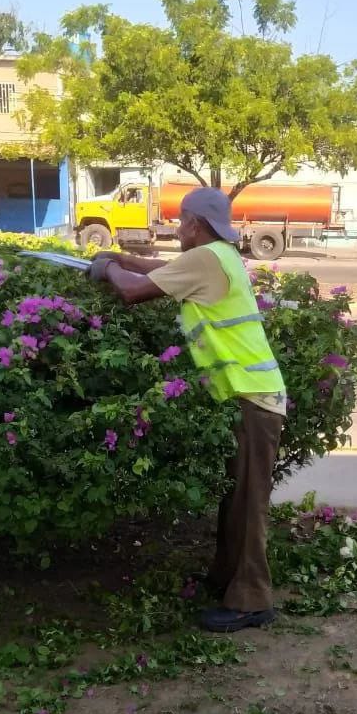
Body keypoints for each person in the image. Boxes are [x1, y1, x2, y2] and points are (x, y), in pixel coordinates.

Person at [88, 187, 286, 633]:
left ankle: (253, 600)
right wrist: (118, 257)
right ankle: (226, 580)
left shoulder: (207, 258)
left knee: (249, 502)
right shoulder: (219, 256)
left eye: (181, 221)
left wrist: (110, 270)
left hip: (253, 398)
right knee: (236, 498)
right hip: (248, 395)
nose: (178, 229)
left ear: (195, 225)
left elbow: (134, 291)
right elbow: (161, 270)